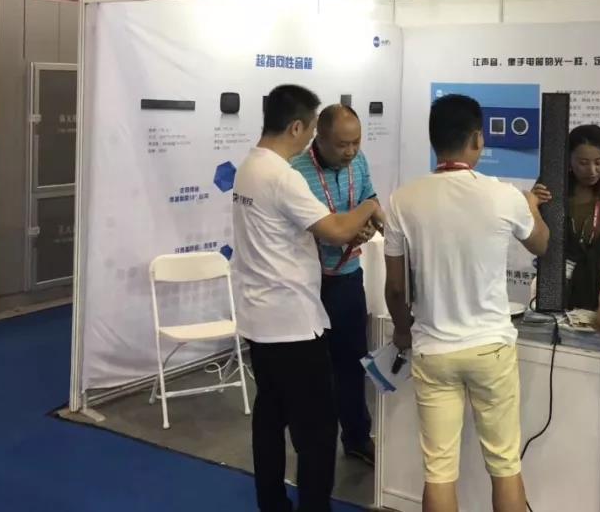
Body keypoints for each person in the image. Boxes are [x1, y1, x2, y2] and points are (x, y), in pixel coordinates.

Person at [383, 94, 550, 512]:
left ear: (433, 140)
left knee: (439, 471)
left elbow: (396, 288)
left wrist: (402, 330)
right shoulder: (504, 195)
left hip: (433, 349)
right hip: (491, 348)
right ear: (477, 139)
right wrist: (531, 207)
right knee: (505, 464)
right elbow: (542, 244)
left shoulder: (403, 199)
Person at [232, 85, 384, 512]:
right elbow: (335, 230)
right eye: (314, 127)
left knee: (270, 417)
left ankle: (272, 503)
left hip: (262, 318)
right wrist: (370, 207)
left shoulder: (249, 167)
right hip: (292, 321)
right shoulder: (284, 176)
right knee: (316, 432)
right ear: (298, 127)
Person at [292, 104, 378, 466]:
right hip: (308, 283)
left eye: (356, 142)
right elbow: (312, 229)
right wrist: (348, 227)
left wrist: (372, 226)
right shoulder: (295, 172)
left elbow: (370, 201)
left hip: (348, 278)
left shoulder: (359, 162)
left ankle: (357, 437)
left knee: (353, 362)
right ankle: (315, 448)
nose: (351, 151)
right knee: (313, 372)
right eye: (342, 145)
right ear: (319, 139)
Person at [531, 124, 600, 330]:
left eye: (599, 162)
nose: (592, 170)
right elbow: (536, 241)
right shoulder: (551, 188)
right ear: (568, 160)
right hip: (556, 282)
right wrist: (532, 206)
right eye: (583, 163)